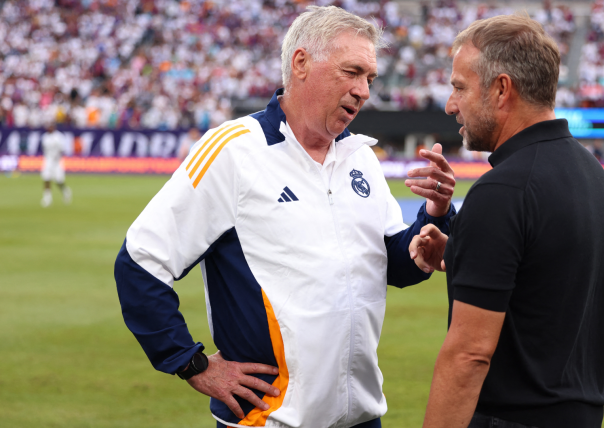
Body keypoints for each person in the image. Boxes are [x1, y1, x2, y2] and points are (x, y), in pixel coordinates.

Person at [113, 6, 456, 428]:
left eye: (370, 78)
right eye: (352, 72)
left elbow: (395, 264)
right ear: (301, 63)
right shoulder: (233, 150)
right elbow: (141, 262)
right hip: (272, 419)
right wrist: (192, 363)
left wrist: (434, 214)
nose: (364, 91)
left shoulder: (361, 157)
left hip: (362, 416)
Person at [408, 14, 604, 428]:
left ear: (502, 89)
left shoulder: (503, 190)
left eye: (459, 87)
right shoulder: (592, 174)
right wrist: (461, 254)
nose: (451, 104)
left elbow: (469, 354)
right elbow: (543, 278)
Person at [40, 123, 72, 207]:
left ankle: (66, 191)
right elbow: (44, 149)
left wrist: (57, 157)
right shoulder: (45, 137)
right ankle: (47, 198)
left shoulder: (59, 136)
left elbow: (62, 149)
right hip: (48, 160)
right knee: (46, 178)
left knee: (58, 180)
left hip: (57, 161)